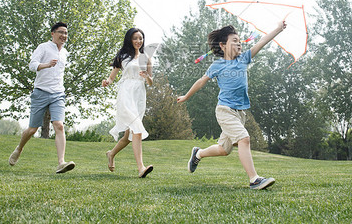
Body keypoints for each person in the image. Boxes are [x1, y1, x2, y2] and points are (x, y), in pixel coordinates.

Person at [177, 21, 286, 190]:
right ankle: (254, 179)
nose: (239, 43)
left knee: (223, 149)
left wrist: (278, 29)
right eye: (234, 40)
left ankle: (198, 153)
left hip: (240, 113)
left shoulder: (244, 58)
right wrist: (186, 96)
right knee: (244, 138)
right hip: (224, 111)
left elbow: (262, 42)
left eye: (239, 40)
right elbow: (201, 82)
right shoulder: (217, 65)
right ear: (222, 45)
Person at [9, 22, 75, 174]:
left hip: (58, 93)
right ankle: (19, 149)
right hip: (40, 92)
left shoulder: (65, 53)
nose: (64, 36)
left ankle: (61, 163)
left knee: (59, 125)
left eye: (66, 33)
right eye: (61, 32)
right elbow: (32, 65)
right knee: (33, 129)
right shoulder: (43, 47)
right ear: (52, 33)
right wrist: (46, 65)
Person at [102, 28, 154, 178]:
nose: (138, 41)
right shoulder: (122, 56)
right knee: (137, 129)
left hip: (139, 95)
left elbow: (150, 82)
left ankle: (111, 154)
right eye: (135, 38)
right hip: (126, 93)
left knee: (128, 135)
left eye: (141, 38)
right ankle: (141, 168)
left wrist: (146, 76)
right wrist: (107, 81)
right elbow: (112, 77)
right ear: (129, 40)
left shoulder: (146, 58)